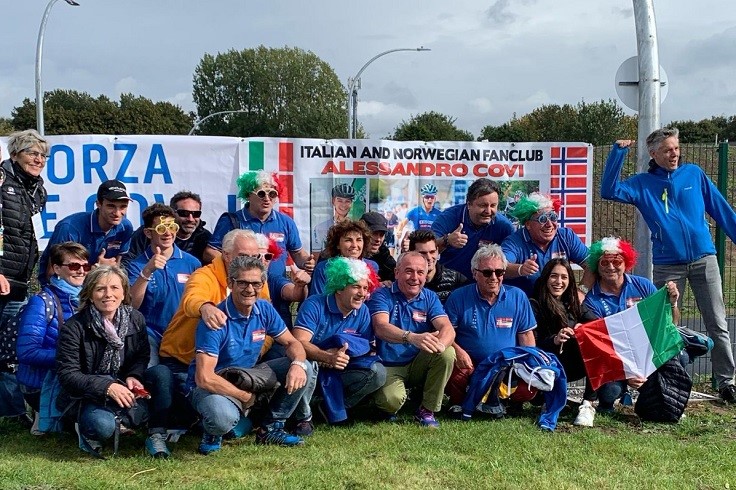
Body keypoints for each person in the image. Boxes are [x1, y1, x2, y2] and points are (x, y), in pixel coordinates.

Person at [601, 128, 736, 402]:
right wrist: (618, 154)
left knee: (717, 323)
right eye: (666, 150)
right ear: (654, 154)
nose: (673, 154)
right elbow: (609, 190)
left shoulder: (693, 174)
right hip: (667, 266)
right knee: (662, 325)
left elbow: (720, 209)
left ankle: (727, 382)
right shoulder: (641, 184)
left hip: (704, 260)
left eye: (675, 148)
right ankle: (657, 381)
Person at [188, 256, 315, 453]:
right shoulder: (215, 320)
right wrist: (245, 396)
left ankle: (271, 428)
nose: (250, 289)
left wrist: (298, 364)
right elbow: (204, 378)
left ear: (262, 284)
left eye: (256, 283)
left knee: (305, 366)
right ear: (231, 283)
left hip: (247, 375)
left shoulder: (263, 308)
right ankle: (212, 430)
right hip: (214, 385)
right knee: (222, 418)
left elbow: (292, 342)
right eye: (243, 283)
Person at [578, 237, 680, 427]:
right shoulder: (591, 298)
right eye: (604, 262)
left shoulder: (643, 285)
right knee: (609, 393)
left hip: (647, 354)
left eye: (617, 261)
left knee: (676, 356)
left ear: (626, 263)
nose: (611, 267)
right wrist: (628, 374)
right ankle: (607, 402)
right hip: (614, 359)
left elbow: (669, 325)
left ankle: (667, 402)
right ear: (596, 266)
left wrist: (672, 303)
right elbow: (602, 343)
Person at [55, 266, 154, 458]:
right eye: (100, 289)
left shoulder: (136, 319)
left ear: (124, 292)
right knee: (103, 426)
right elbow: (68, 375)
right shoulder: (74, 327)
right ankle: (85, 428)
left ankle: (157, 434)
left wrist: (134, 375)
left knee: (162, 375)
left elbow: (141, 356)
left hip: (124, 384)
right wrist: (107, 387)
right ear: (90, 294)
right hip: (87, 395)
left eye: (115, 288)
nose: (108, 294)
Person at [159, 229, 269, 381]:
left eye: (254, 257)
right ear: (226, 254)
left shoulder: (258, 280)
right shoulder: (204, 275)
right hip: (184, 362)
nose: (248, 263)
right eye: (243, 256)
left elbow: (267, 324)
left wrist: (256, 351)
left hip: (236, 364)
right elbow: (191, 299)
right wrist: (205, 307)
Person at [367, 251, 455, 427]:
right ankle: (390, 404)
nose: (415, 277)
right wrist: (411, 337)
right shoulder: (382, 295)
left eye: (420, 272)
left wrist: (440, 346)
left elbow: (448, 329)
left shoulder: (429, 296)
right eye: (409, 271)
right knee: (390, 401)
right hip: (389, 364)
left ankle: (427, 409)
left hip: (418, 363)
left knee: (447, 353)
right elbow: (380, 327)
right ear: (396, 272)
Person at [293, 257, 386, 424]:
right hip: (311, 368)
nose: (362, 293)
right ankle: (308, 411)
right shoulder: (314, 305)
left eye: (365, 288)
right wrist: (327, 357)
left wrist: (342, 356)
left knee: (378, 372)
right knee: (305, 366)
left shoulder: (363, 310)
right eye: (356, 287)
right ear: (339, 288)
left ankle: (329, 408)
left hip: (342, 367)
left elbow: (364, 347)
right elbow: (298, 343)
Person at [443, 244, 536, 407]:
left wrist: (528, 365)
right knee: (453, 366)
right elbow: (445, 333)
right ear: (474, 273)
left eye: (499, 272)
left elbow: (526, 337)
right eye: (487, 272)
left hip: (505, 366)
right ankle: (460, 403)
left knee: (529, 388)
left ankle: (502, 400)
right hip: (470, 365)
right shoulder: (458, 297)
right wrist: (458, 351)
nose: (493, 277)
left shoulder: (518, 297)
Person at [0, 129, 49, 422]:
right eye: (32, 153)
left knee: (8, 351)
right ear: (15, 154)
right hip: (2, 276)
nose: (38, 159)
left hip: (20, 281)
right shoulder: (2, 180)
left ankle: (13, 412)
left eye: (42, 155)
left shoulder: (35, 188)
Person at [15, 242, 89, 429]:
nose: (81, 271)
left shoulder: (90, 299)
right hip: (41, 383)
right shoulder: (41, 302)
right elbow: (27, 352)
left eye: (85, 266)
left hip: (73, 376)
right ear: (56, 268)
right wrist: (71, 359)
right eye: (73, 266)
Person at [127, 204, 201, 367]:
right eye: (161, 228)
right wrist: (147, 271)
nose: (168, 233)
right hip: (150, 335)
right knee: (152, 373)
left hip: (182, 335)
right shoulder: (137, 265)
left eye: (171, 226)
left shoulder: (192, 263)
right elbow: (132, 305)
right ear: (148, 232)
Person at [204, 170, 314, 274]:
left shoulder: (286, 222)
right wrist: (237, 265)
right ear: (248, 195)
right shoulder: (231, 220)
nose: (267, 198)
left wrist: (307, 262)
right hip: (243, 287)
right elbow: (210, 252)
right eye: (261, 194)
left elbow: (298, 253)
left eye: (272, 194)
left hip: (276, 289)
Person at [529, 258, 598, 420]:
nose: (558, 282)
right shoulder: (534, 304)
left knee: (595, 342)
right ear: (545, 278)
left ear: (570, 281)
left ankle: (588, 404)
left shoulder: (574, 303)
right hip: (545, 365)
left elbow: (597, 325)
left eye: (564, 277)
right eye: (554, 276)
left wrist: (582, 328)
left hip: (573, 364)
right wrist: (555, 339)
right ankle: (549, 399)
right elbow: (530, 344)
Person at [40, 179, 134, 282]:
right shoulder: (69, 228)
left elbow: (116, 266)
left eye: (123, 207)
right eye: (111, 206)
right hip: (64, 288)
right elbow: (52, 275)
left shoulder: (126, 227)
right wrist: (97, 268)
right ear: (98, 204)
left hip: (98, 285)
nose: (117, 213)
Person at [501, 192, 592, 297]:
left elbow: (591, 264)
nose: (549, 224)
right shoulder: (514, 242)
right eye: (542, 219)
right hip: (528, 304)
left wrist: (581, 291)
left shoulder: (566, 236)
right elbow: (500, 266)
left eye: (553, 217)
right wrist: (520, 269)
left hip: (560, 302)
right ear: (528, 224)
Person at [432, 178, 515, 279]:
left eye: (493, 205)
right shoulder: (448, 217)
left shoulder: (504, 226)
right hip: (449, 282)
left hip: (485, 286)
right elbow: (427, 248)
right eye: (483, 205)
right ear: (469, 204)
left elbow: (510, 258)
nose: (488, 211)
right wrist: (447, 240)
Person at [121, 191, 213, 269]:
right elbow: (128, 261)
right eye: (184, 213)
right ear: (173, 213)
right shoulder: (148, 232)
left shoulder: (204, 237)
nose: (190, 219)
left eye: (196, 214)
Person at [308, 219, 377, 297]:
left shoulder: (372, 266)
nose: (354, 245)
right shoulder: (324, 268)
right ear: (337, 244)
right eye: (348, 240)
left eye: (359, 240)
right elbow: (316, 300)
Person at [407, 230, 468, 304]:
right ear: (410, 253)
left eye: (432, 252)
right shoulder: (403, 280)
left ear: (437, 251)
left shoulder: (456, 280)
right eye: (423, 253)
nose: (429, 257)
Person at [312, 183, 356, 256]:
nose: (343, 204)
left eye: (347, 201)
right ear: (333, 201)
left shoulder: (357, 227)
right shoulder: (320, 228)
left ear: (351, 203)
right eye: (340, 200)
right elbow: (316, 256)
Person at [360, 212, 396, 284]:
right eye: (374, 233)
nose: (378, 239)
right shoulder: (349, 254)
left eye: (381, 235)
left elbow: (398, 274)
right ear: (361, 234)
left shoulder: (384, 254)